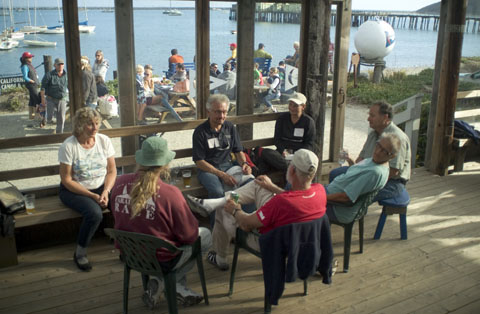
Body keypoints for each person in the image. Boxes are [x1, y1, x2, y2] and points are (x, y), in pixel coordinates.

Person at [111, 136, 211, 308]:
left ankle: (174, 287)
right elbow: (189, 236)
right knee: (205, 235)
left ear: (141, 159)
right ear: (165, 164)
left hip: (130, 254)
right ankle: (165, 283)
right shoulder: (170, 193)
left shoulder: (119, 184)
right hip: (160, 259)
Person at [186, 149, 327, 270]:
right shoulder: (320, 192)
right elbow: (295, 198)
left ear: (292, 170)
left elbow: (246, 224)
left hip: (266, 243)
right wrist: (272, 187)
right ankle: (213, 203)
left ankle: (220, 257)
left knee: (223, 209)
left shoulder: (281, 202)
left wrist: (235, 210)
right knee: (259, 184)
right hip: (299, 243)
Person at [58, 107, 117, 271]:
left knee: (121, 203)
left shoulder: (103, 140)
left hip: (100, 186)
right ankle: (80, 252)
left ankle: (123, 244)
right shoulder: (69, 146)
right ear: (79, 125)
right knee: (94, 213)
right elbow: (67, 179)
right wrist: (92, 195)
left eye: (97, 123)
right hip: (74, 190)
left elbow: (112, 170)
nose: (95, 127)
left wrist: (106, 191)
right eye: (90, 124)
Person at [192, 94, 253, 226]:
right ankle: (218, 227)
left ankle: (246, 222)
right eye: (218, 112)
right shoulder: (201, 131)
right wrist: (222, 175)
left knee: (251, 182)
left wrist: (244, 164)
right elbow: (199, 161)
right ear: (209, 112)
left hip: (228, 166)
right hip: (207, 169)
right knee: (217, 192)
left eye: (224, 112)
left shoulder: (229, 127)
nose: (222, 116)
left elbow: (238, 151)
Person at [330, 101, 411, 202]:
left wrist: (360, 181)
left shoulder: (397, 139)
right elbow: (361, 160)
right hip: (367, 172)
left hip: (391, 182)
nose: (368, 118)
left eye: (372, 115)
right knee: (336, 174)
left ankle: (349, 213)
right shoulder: (373, 134)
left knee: (353, 192)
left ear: (385, 118)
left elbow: (393, 172)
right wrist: (350, 161)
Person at [326, 133, 401, 224]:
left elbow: (347, 197)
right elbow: (356, 172)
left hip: (338, 209)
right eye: (378, 145)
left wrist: (321, 198)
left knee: (305, 203)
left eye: (384, 151)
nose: (377, 152)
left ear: (392, 156)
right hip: (332, 196)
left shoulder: (374, 172)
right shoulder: (375, 161)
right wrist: (349, 160)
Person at [257, 92, 315, 174]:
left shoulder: (308, 122)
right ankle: (289, 167)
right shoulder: (282, 119)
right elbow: (277, 139)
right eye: (290, 104)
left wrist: (297, 154)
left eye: (295, 105)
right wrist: (283, 151)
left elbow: (309, 144)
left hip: (299, 156)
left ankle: (289, 167)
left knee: (267, 163)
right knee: (265, 153)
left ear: (303, 107)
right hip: (282, 154)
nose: (292, 108)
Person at [40, 58, 68, 134]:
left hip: (62, 99)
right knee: (49, 117)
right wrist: (42, 100)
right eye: (59, 64)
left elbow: (70, 87)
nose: (60, 66)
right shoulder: (49, 75)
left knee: (61, 118)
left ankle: (59, 134)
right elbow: (42, 88)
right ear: (54, 65)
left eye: (62, 64)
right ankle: (45, 118)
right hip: (50, 99)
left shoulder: (66, 75)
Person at [20, 51, 40, 121]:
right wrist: (32, 81)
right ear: (26, 58)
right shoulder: (25, 66)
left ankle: (31, 116)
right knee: (37, 100)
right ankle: (38, 116)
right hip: (31, 85)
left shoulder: (29, 64)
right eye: (30, 57)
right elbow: (25, 77)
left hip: (33, 84)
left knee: (32, 100)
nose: (31, 58)